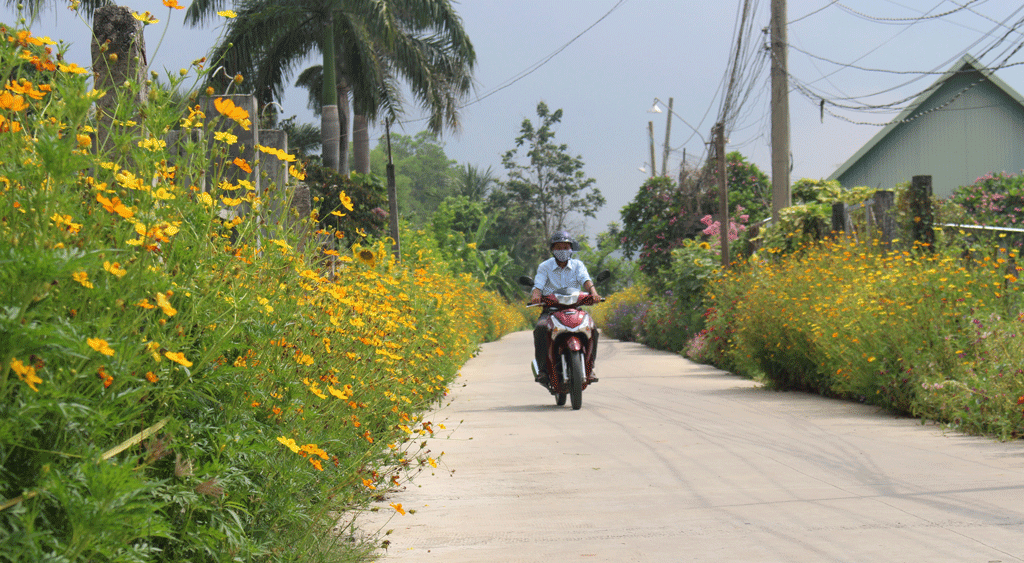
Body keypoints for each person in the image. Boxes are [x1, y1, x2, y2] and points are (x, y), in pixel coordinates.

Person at [530, 231, 601, 384]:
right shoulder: (545, 266)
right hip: (551, 311)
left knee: (593, 329)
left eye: (566, 247)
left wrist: (594, 293)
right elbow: (538, 284)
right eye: (559, 247)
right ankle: (543, 369)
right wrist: (536, 294)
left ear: (571, 249)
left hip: (575, 310)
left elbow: (586, 280)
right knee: (541, 329)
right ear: (553, 249)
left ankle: (590, 366)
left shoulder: (578, 265)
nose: (562, 250)